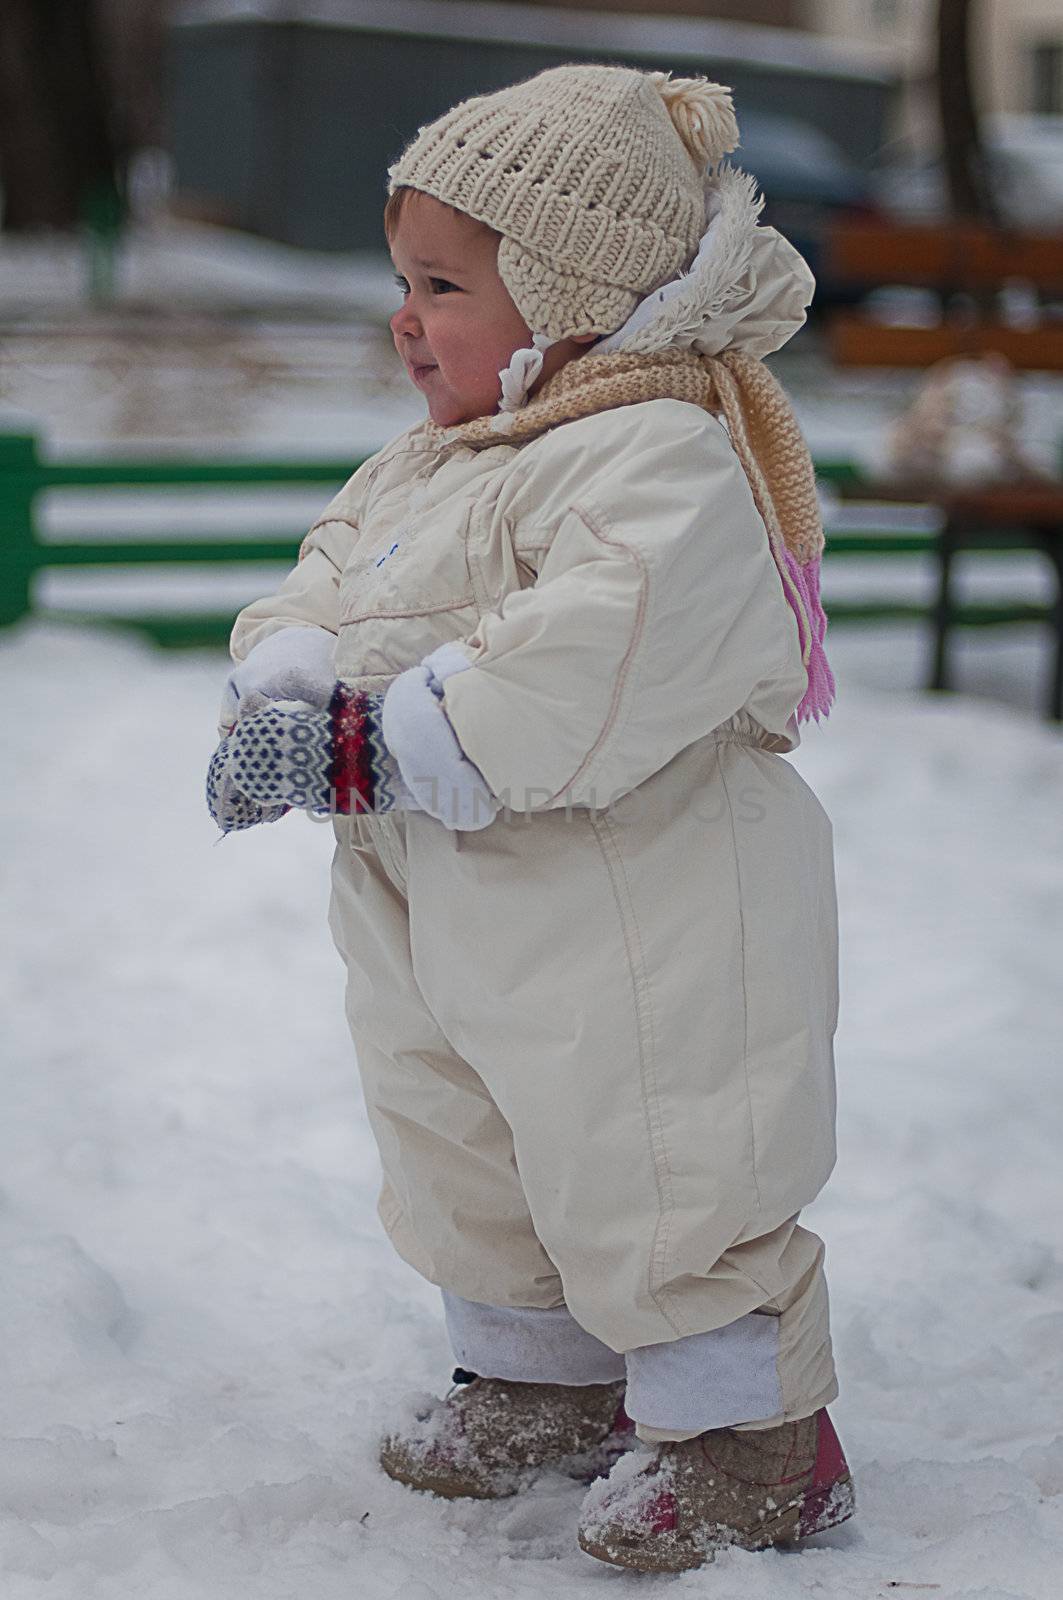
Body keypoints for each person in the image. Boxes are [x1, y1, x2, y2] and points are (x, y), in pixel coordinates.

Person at [205, 63, 854, 1573]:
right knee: (464, 1145)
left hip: (639, 915)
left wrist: (366, 745)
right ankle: (541, 1382)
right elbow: (328, 571)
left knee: (658, 1160)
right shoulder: (433, 460)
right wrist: (282, 680)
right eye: (400, 282)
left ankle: (754, 1442)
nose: (405, 318)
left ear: (571, 291)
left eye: (442, 283)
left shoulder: (660, 455)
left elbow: (594, 654)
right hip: (445, 900)